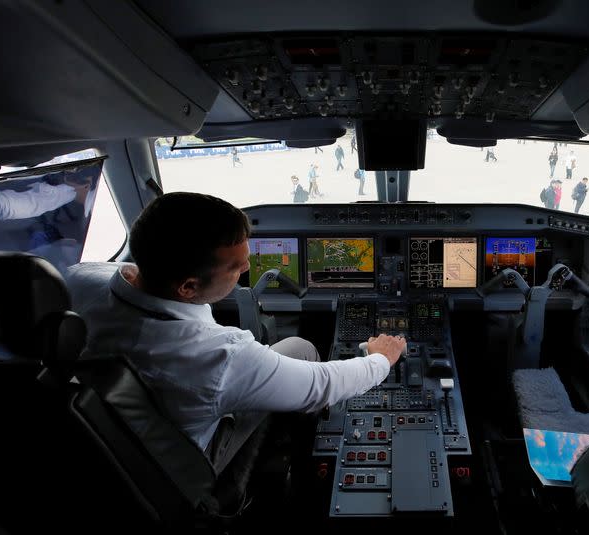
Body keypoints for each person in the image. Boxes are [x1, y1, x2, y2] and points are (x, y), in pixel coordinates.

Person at [66, 192, 406, 507]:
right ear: (187, 287)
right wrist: (381, 358)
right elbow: (323, 384)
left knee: (296, 347)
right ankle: (267, 474)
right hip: (177, 464)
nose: (247, 269)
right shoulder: (220, 357)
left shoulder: (79, 279)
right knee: (302, 361)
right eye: (236, 267)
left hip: (105, 438)